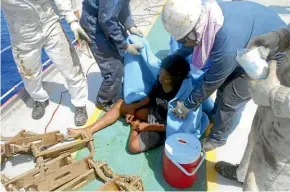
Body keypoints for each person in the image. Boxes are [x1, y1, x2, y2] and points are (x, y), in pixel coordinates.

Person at [161, 0, 286, 151]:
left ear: (195, 32)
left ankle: (217, 138)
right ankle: (215, 115)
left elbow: (211, 83)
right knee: (225, 83)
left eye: (183, 40)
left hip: (274, 53)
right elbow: (191, 45)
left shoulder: (225, 43)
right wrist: (173, 59)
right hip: (247, 42)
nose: (183, 44)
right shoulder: (208, 17)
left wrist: (187, 105)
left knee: (231, 98)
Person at [215, 24, 290, 191]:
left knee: (267, 178)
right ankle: (241, 174)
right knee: (255, 140)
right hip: (277, 90)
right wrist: (280, 36)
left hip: (286, 138)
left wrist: (275, 94)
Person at [67, 55, 190, 153]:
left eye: (166, 77)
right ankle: (88, 130)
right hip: (154, 113)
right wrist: (132, 108)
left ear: (176, 79)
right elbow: (149, 98)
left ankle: (134, 127)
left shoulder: (182, 98)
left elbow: (174, 126)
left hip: (163, 126)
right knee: (121, 104)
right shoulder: (160, 81)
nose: (161, 79)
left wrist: (146, 127)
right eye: (161, 74)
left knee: (134, 147)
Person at [1, 0, 91, 126]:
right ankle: (39, 99)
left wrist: (72, 21)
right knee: (29, 74)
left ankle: (80, 104)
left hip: (50, 25)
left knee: (71, 67)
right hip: (22, 34)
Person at [80, 0, 144, 111]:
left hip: (105, 17)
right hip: (94, 26)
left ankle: (122, 88)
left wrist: (130, 25)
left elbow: (123, 5)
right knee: (114, 69)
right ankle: (103, 101)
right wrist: (124, 45)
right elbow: (106, 19)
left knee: (124, 59)